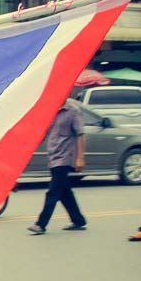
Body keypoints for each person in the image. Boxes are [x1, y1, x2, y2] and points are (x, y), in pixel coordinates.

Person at [28, 99, 87, 235]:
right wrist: (29, 149)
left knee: (53, 192)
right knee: (65, 192)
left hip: (65, 158)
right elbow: (44, 133)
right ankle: (78, 220)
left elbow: (81, 134)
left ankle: (41, 224)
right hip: (53, 156)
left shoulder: (73, 111)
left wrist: (80, 158)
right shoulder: (51, 110)